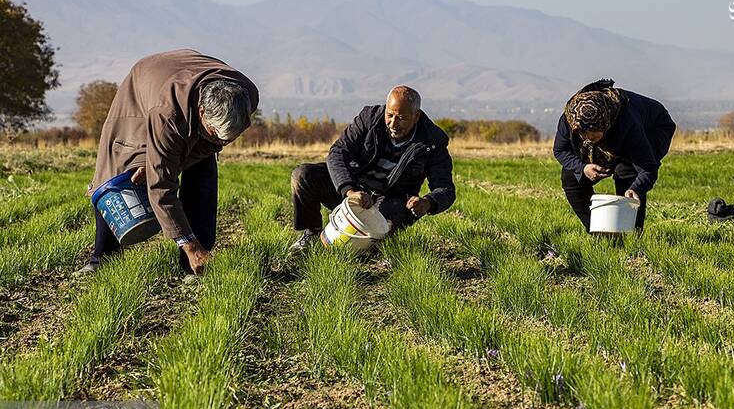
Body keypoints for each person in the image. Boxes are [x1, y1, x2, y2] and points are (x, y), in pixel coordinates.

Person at [78, 49, 259, 275]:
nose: (223, 142)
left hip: (184, 81)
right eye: (216, 134)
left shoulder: (247, 95)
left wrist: (180, 159)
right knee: (120, 174)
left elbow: (212, 142)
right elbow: (161, 187)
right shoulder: (166, 115)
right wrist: (155, 164)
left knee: (203, 178)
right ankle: (101, 259)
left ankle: (194, 266)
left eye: (229, 137)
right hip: (144, 90)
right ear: (202, 112)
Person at [289, 85, 456, 251]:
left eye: (401, 118)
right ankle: (312, 234)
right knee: (303, 175)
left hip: (390, 201)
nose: (393, 123)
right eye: (389, 115)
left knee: (380, 228)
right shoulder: (369, 119)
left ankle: (376, 247)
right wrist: (350, 191)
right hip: (354, 190)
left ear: (416, 116)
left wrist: (428, 202)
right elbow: (338, 152)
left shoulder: (432, 142)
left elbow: (445, 188)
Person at [553, 79, 676, 232]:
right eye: (583, 135)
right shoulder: (570, 119)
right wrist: (583, 167)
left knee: (627, 172)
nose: (587, 139)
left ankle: (631, 234)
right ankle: (598, 231)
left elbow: (647, 168)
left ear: (605, 125)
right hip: (615, 133)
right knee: (571, 177)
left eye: (593, 136)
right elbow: (560, 150)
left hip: (653, 127)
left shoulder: (628, 125)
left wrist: (636, 189)